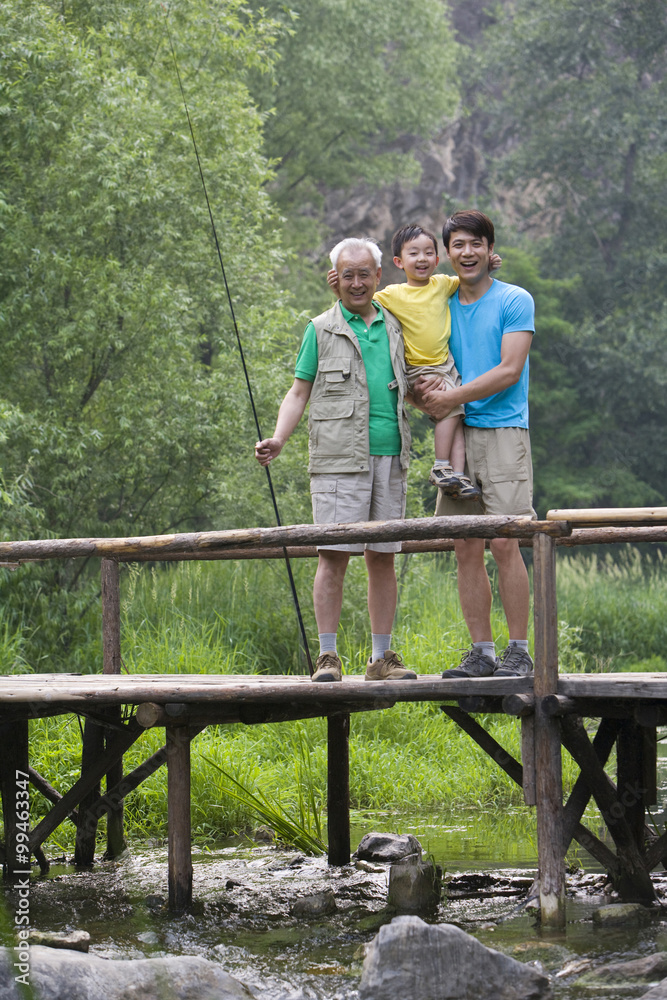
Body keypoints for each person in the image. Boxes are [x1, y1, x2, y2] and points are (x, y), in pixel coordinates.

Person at [255, 238, 417, 683]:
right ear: (336, 279)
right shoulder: (320, 328)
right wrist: (278, 439)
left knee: (382, 557)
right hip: (336, 461)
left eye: (365, 273)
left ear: (379, 277)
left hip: (391, 457)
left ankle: (381, 659)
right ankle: (328, 657)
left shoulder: (396, 324)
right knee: (332, 555)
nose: (357, 282)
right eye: (348, 275)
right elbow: (298, 391)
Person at [416, 210, 536, 679]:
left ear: (490, 249)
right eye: (458, 245)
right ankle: (481, 652)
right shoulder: (441, 300)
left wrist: (448, 398)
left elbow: (509, 370)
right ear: (449, 253)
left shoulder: (514, 299)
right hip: (457, 435)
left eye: (476, 244)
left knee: (506, 543)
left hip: (504, 431)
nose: (467, 252)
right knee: (464, 544)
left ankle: (519, 652)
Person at [328, 225, 500, 500]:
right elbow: (359, 301)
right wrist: (339, 289)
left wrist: (488, 265)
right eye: (414, 253)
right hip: (417, 367)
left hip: (444, 364)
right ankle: (441, 465)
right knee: (451, 408)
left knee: (457, 414)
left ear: (437, 258)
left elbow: (471, 278)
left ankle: (457, 473)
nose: (422, 259)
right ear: (399, 261)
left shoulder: (443, 283)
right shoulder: (392, 294)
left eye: (428, 253)